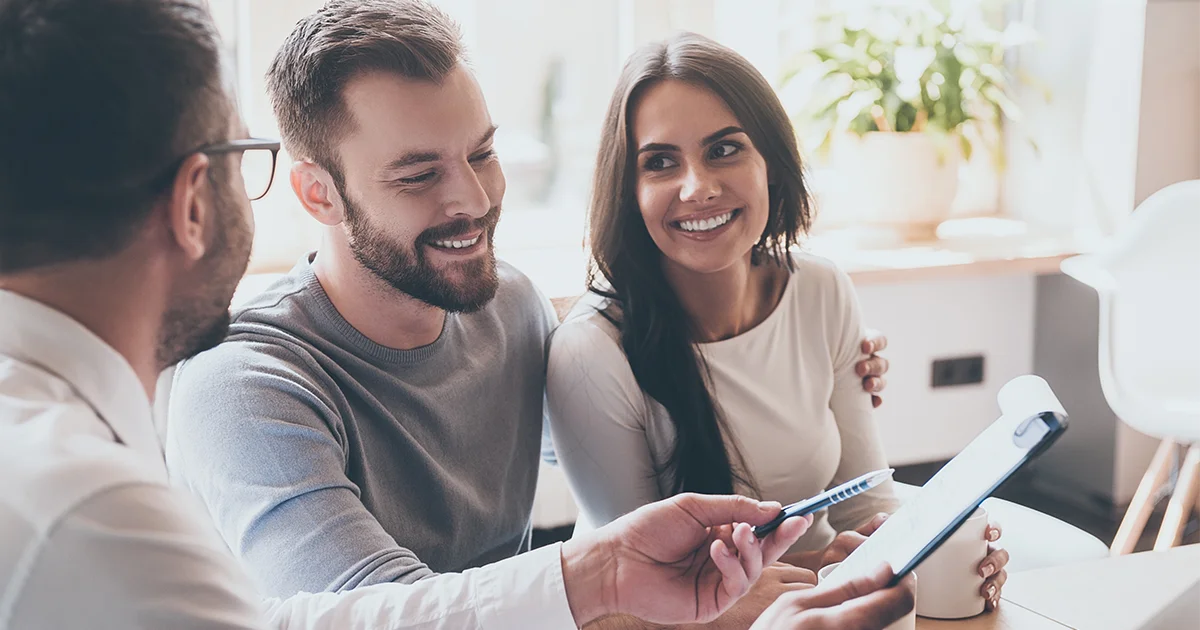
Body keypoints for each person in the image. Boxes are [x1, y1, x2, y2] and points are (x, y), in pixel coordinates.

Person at [0, 0, 853, 628]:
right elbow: (370, 612)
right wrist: (627, 590)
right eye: (418, 176)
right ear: (315, 193)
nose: (474, 200)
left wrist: (811, 347)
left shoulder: (509, 304)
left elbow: (615, 401)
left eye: (482, 153)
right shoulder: (243, 385)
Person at [545, 32, 1009, 612]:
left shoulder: (819, 289)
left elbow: (866, 507)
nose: (698, 187)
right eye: (660, 162)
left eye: (724, 149)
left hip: (821, 603)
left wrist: (929, 547)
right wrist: (827, 573)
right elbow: (639, 593)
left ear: (771, 162)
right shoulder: (591, 352)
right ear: (628, 190)